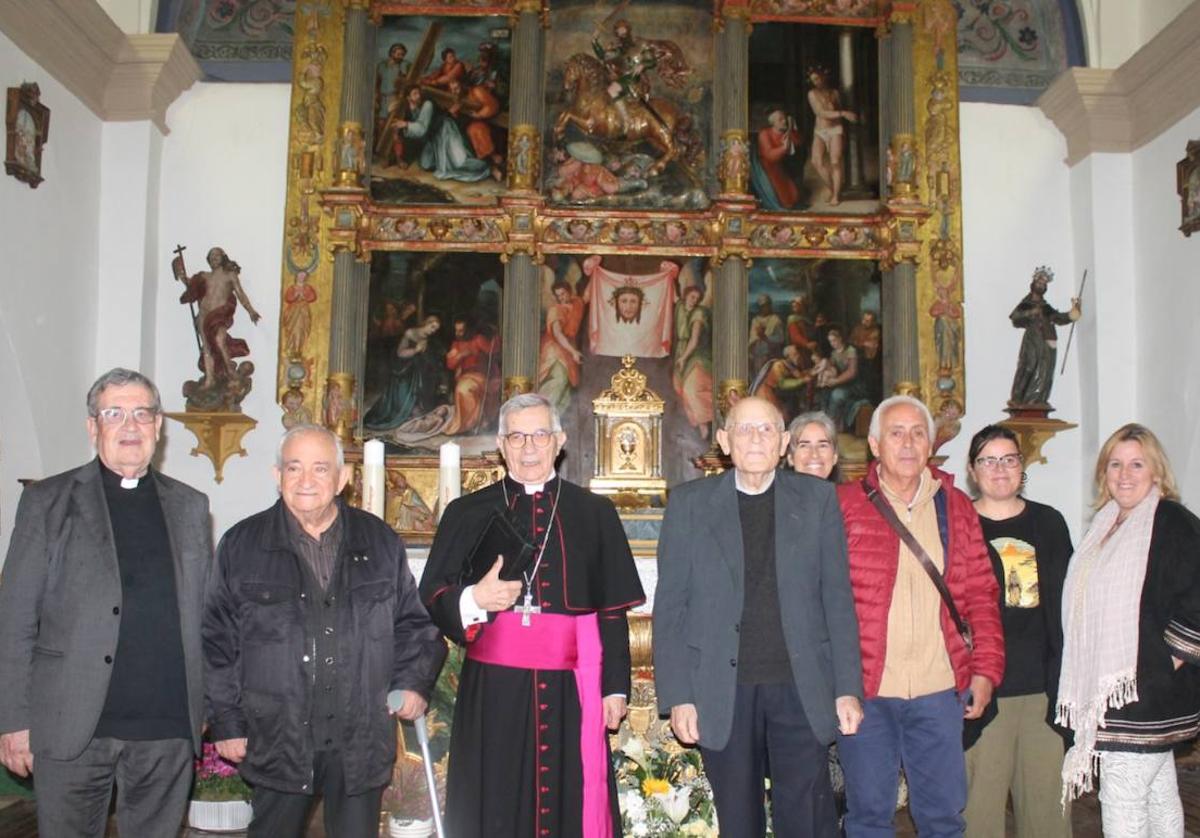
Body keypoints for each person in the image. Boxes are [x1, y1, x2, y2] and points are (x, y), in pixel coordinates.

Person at [202, 425, 446, 838]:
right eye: (294, 468)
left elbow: (414, 625)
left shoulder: (380, 540)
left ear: (342, 478)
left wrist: (413, 684)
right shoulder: (241, 544)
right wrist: (227, 721)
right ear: (276, 475)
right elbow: (215, 640)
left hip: (360, 737)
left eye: (320, 468)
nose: (306, 481)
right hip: (276, 736)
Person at [419, 392, 645, 838]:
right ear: (501, 445)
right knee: (496, 797)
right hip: (494, 689)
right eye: (516, 436)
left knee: (570, 797)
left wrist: (615, 688)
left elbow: (613, 613)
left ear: (558, 441)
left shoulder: (594, 512)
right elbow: (432, 595)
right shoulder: (467, 512)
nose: (528, 447)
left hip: (571, 688)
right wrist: (474, 600)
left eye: (539, 435)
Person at [0, 368, 212, 837]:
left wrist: (206, 707)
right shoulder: (47, 502)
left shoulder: (191, 507)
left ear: (159, 426)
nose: (130, 426)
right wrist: (13, 721)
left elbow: (204, 616)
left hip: (166, 725)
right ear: (93, 426)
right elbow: (14, 620)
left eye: (142, 413)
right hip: (71, 724)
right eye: (114, 413)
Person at [654, 396, 863, 838]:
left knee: (803, 818)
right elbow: (671, 607)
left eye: (766, 429)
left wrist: (846, 688)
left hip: (800, 687)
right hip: (720, 690)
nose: (755, 438)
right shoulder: (689, 504)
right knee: (739, 821)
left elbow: (837, 599)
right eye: (744, 429)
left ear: (783, 442)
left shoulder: (817, 500)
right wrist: (679, 696)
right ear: (725, 441)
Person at [836, 395, 1004, 838]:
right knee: (868, 819)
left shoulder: (957, 507)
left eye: (918, 433)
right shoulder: (845, 506)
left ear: (931, 444)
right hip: (868, 693)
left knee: (943, 819)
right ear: (875, 444)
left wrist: (985, 671)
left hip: (939, 692)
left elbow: (982, 596)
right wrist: (838, 685)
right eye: (896, 433)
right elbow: (824, 603)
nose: (908, 443)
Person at [1057, 423, 1200, 836]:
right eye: (1115, 464)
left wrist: (1162, 664)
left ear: (1156, 471)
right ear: (1104, 473)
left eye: (1137, 464)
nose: (1125, 474)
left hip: (1145, 694)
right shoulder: (1106, 525)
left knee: (1121, 797)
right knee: (1156, 792)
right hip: (1115, 692)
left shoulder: (1172, 522)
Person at [962, 425, 1072, 838]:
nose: (1000, 469)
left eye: (1009, 459)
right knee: (978, 814)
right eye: (989, 460)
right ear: (974, 470)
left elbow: (1069, 605)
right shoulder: (958, 524)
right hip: (983, 689)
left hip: (1043, 690)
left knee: (1047, 814)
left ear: (1021, 467)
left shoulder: (1049, 523)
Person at [179, 246, 262, 389]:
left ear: (223, 257)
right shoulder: (205, 276)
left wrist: (251, 311)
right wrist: (182, 276)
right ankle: (209, 379)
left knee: (219, 340)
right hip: (204, 315)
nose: (213, 259)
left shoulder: (230, 275)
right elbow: (191, 286)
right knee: (206, 348)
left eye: (216, 256)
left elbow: (241, 295)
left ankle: (230, 370)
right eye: (211, 257)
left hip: (219, 314)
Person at [1008, 267, 1081, 407]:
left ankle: (1037, 400)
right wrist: (1032, 312)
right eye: (1039, 282)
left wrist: (1073, 313)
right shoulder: (1026, 303)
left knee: (1045, 369)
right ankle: (1020, 399)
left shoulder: (1046, 307)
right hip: (1032, 339)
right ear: (1033, 284)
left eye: (1044, 284)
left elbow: (1058, 318)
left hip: (1047, 341)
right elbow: (1015, 317)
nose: (1041, 285)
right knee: (1029, 367)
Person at [396, 86, 495, 183]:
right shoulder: (408, 109)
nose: (418, 96)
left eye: (418, 93)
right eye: (414, 94)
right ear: (409, 98)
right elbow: (413, 134)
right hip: (433, 137)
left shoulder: (427, 104)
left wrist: (406, 124)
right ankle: (444, 159)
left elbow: (422, 129)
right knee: (425, 164)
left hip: (445, 130)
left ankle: (490, 167)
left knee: (459, 163)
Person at [363, 314, 444, 432]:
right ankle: (404, 414)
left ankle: (414, 413)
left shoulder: (429, 339)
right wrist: (415, 350)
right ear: (426, 323)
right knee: (406, 393)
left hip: (420, 371)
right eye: (432, 327)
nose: (433, 331)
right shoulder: (410, 333)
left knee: (424, 389)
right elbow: (400, 353)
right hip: (406, 370)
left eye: (435, 329)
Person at [807, 65, 858, 206]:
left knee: (835, 162)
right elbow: (820, 113)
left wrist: (842, 116)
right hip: (819, 130)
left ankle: (836, 195)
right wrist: (843, 113)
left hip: (835, 129)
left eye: (818, 78)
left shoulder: (834, 93)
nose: (816, 82)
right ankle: (831, 188)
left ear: (824, 76)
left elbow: (839, 109)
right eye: (813, 80)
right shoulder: (812, 94)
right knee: (816, 162)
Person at [672, 285, 714, 440]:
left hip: (696, 355)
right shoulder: (681, 308)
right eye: (692, 297)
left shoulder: (699, 313)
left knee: (692, 389)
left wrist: (683, 358)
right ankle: (702, 423)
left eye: (697, 298)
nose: (694, 301)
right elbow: (672, 295)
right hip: (682, 351)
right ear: (685, 296)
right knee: (681, 389)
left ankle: (707, 422)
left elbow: (694, 340)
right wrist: (668, 273)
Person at [538, 281, 585, 413]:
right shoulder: (556, 310)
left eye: (563, 294)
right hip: (555, 351)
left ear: (570, 291)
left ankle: (552, 424)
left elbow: (586, 296)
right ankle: (541, 414)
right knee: (559, 380)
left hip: (568, 350)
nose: (561, 298)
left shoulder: (577, 304)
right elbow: (558, 334)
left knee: (566, 394)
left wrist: (594, 269)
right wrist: (574, 351)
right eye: (558, 295)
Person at [751, 109, 804, 210]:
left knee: (793, 194)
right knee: (781, 195)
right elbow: (769, 156)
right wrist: (783, 148)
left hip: (779, 165)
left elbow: (798, 142)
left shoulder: (785, 132)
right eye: (780, 119)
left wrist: (792, 130)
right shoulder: (764, 134)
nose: (784, 121)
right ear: (773, 123)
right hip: (767, 167)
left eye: (784, 118)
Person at [789, 410, 840, 481]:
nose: (814, 454)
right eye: (804, 446)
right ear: (790, 458)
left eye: (822, 446)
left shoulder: (851, 491)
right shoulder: (777, 491)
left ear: (835, 456)